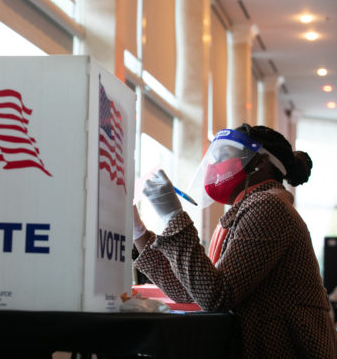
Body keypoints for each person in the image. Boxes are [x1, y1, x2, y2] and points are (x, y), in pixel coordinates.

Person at [133, 124, 337, 358]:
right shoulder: (251, 208)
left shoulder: (269, 206)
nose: (213, 165)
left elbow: (216, 295)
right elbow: (193, 291)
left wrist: (173, 217)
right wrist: (138, 232)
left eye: (223, 156)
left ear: (258, 162)